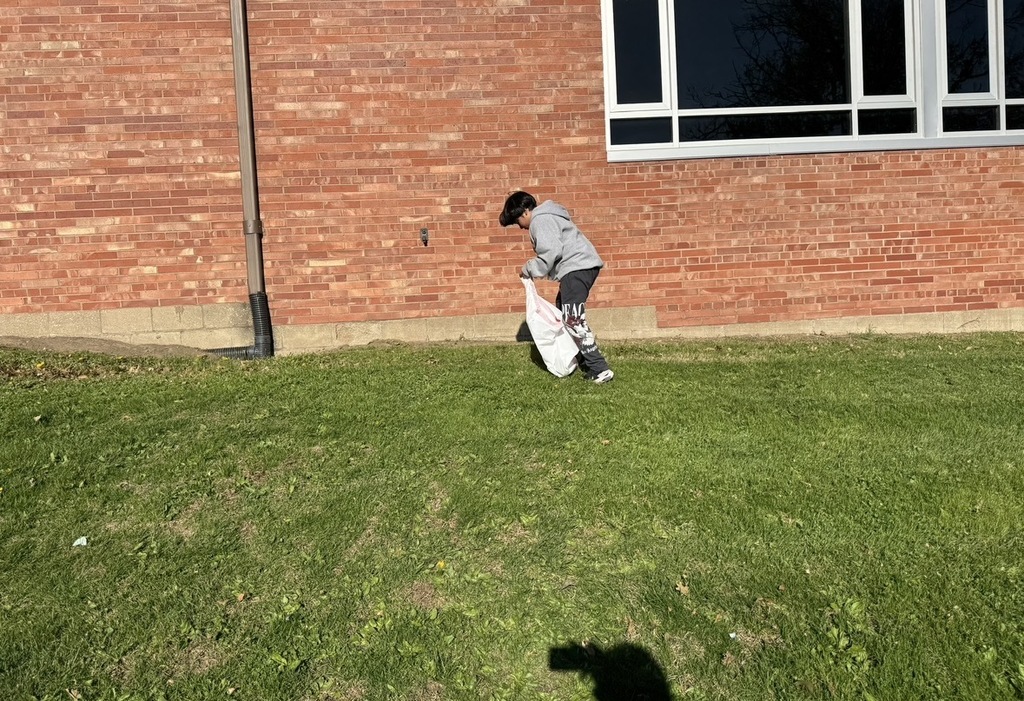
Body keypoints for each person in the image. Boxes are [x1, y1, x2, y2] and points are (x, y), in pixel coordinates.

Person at [500, 191, 614, 384]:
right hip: (582, 267)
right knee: (564, 309)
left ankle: (600, 369)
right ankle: (584, 361)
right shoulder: (550, 215)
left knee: (572, 319)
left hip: (577, 268)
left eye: (518, 221)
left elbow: (550, 253)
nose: (520, 227)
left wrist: (528, 269)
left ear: (526, 212)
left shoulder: (540, 221)